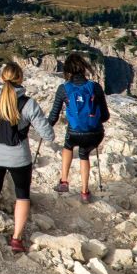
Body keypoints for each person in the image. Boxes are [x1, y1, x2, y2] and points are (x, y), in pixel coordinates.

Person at [0, 61, 55, 253]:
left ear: (2, 77)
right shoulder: (29, 104)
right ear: (21, 79)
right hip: (20, 156)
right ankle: (16, 239)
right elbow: (48, 135)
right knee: (22, 195)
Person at [48, 52, 110, 203]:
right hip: (95, 133)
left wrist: (45, 126)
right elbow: (105, 116)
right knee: (84, 153)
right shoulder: (95, 87)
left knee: (68, 145)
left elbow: (54, 116)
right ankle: (84, 192)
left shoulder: (64, 89)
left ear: (67, 70)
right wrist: (93, 121)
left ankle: (64, 182)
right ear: (84, 68)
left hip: (75, 132)